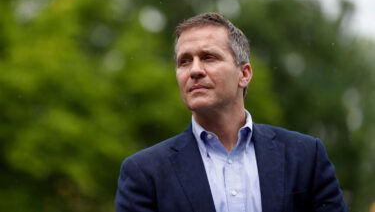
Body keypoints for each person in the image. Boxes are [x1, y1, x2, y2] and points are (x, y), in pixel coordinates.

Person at [115, 12, 348, 212]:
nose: (195, 70)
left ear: (244, 74)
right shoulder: (144, 173)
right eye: (184, 61)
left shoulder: (306, 157)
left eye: (208, 57)